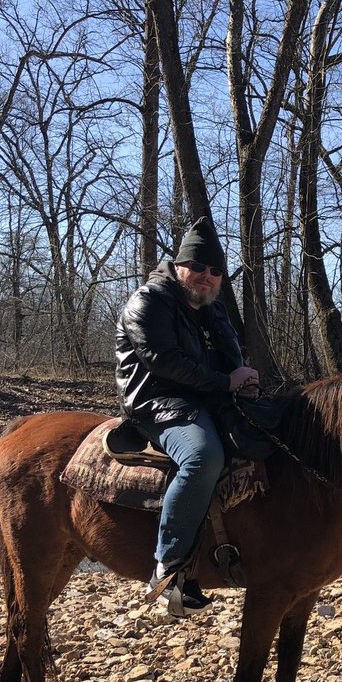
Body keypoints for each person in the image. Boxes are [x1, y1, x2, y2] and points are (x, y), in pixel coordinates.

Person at [115, 216, 259, 617]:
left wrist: (246, 382)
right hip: (159, 404)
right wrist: (226, 382)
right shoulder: (148, 301)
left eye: (215, 271)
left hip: (207, 398)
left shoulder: (212, 311)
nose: (206, 276)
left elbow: (231, 359)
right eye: (197, 266)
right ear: (179, 266)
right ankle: (169, 569)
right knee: (203, 457)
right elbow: (162, 362)